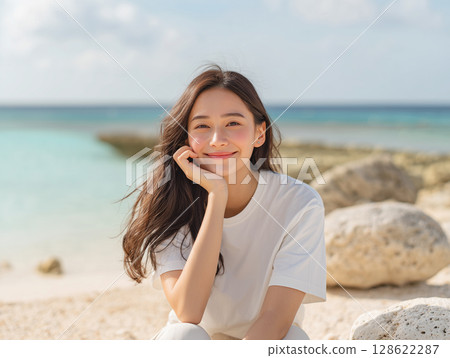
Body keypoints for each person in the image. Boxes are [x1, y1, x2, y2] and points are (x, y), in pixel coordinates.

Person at [120, 64, 326, 340]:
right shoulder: (170, 202)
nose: (217, 140)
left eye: (233, 123)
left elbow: (275, 319)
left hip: (263, 339)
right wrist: (216, 197)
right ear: (186, 139)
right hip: (199, 341)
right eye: (202, 126)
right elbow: (188, 312)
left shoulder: (299, 203)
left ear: (259, 133)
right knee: (181, 336)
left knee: (294, 339)